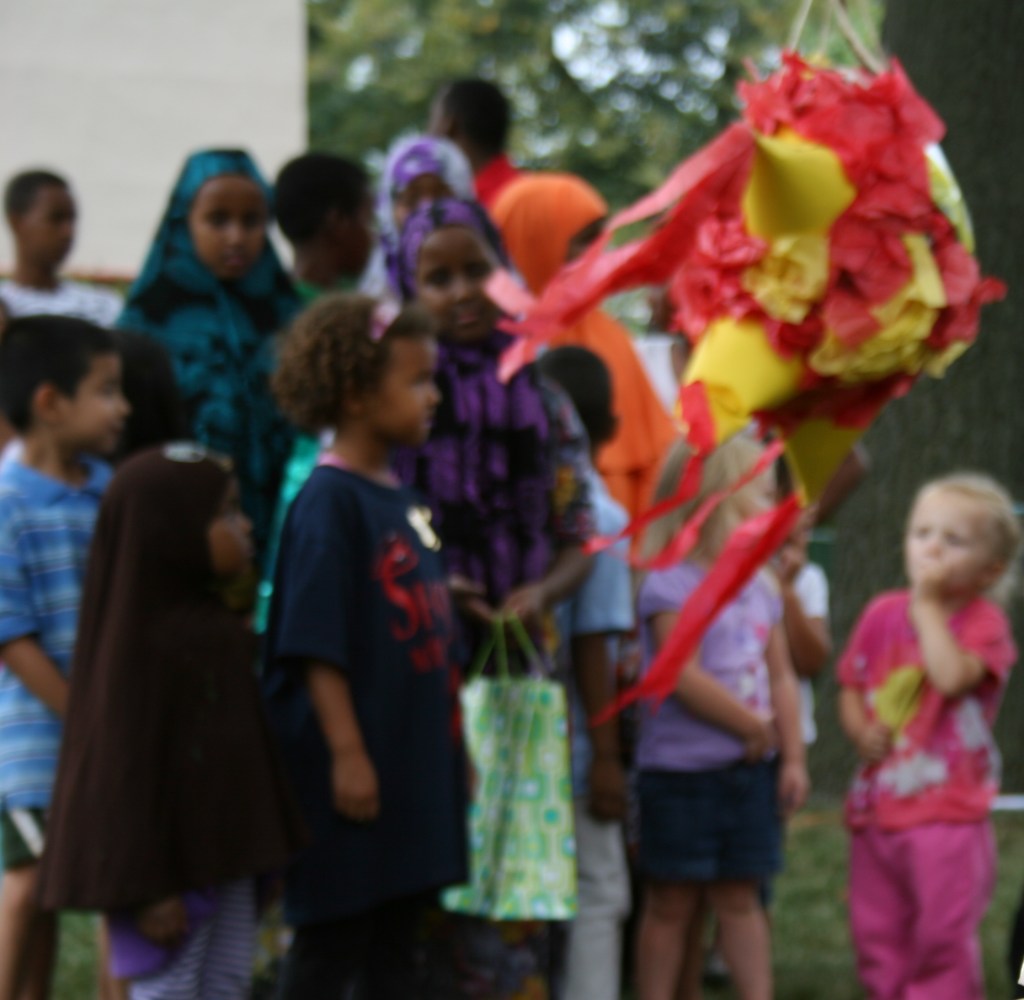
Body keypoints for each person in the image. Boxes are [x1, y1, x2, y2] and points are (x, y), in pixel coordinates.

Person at [392, 196, 594, 999]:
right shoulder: (396, 401)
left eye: (477, 269)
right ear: (407, 289)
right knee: (432, 865)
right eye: (435, 277)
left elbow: (580, 532)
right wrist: (433, 583)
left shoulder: (545, 400)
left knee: (519, 864)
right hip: (421, 667)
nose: (461, 291)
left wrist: (539, 591)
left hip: (520, 671)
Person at [37, 445, 304, 999]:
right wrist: (146, 888)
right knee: (173, 987)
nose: (245, 525)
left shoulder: (216, 631)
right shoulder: (137, 648)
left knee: (227, 980)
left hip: (224, 857)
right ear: (170, 533)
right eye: (226, 513)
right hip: (163, 876)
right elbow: (121, 770)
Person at [263, 294, 468, 998]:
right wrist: (348, 755)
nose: (433, 395)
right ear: (355, 394)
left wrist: (454, 753)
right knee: (332, 940)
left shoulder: (402, 500)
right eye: (416, 381)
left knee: (395, 941)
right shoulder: (329, 501)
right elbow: (315, 644)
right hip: (355, 777)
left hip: (410, 768)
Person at [633, 435, 809, 1000]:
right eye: (761, 493)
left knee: (741, 896)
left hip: (749, 774)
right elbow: (679, 674)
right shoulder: (670, 584)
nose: (773, 505)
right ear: (718, 500)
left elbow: (781, 674)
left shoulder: (761, 586)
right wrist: (748, 726)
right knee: (671, 902)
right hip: (681, 778)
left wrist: (793, 757)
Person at [838, 473, 1019, 1000]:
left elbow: (949, 677)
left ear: (991, 570)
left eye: (953, 539)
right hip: (878, 812)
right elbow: (852, 683)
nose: (932, 547)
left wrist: (927, 608)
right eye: (922, 533)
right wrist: (857, 731)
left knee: (941, 939)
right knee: (878, 936)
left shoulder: (984, 624)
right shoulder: (879, 612)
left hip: (948, 817)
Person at [0, 316, 128, 999]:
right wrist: (84, 715)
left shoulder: (111, 491)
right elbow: (11, 636)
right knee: (28, 885)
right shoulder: (6, 500)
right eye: (107, 391)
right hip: (36, 742)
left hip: (104, 733)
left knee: (115, 887)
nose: (124, 407)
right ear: (51, 403)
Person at [118, 149, 301, 557]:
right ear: (184, 222)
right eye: (218, 220)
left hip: (282, 532)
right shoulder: (146, 324)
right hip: (177, 534)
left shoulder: (290, 319)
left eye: (251, 221)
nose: (236, 237)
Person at [493, 172, 677, 519]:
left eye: (601, 239)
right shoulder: (498, 350)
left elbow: (655, 466)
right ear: (535, 242)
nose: (598, 253)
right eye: (584, 240)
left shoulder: (613, 338)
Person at [538, 346, 632, 1000]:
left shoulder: (516, 496)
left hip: (519, 736)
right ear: (611, 425)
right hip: (574, 743)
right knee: (600, 893)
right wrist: (606, 754)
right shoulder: (599, 516)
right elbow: (593, 637)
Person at [253, 152, 377, 630]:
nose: (373, 235)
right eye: (367, 217)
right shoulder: (357, 319)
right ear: (338, 221)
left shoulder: (263, 307)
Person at [361, 134, 475, 301]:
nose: (427, 210)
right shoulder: (379, 294)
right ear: (389, 211)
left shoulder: (489, 264)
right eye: (411, 199)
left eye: (441, 195)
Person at [1, 170, 122, 326]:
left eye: (71, 220)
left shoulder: (103, 306)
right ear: (16, 222)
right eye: (56, 219)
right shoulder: (4, 307)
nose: (68, 232)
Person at [274, 151, 374, 302]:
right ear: (338, 221)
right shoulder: (346, 317)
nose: (373, 235)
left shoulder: (274, 306)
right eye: (368, 220)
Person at [428, 79, 521, 208]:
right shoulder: (526, 192)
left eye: (432, 119)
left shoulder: (457, 210)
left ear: (448, 125)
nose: (427, 134)